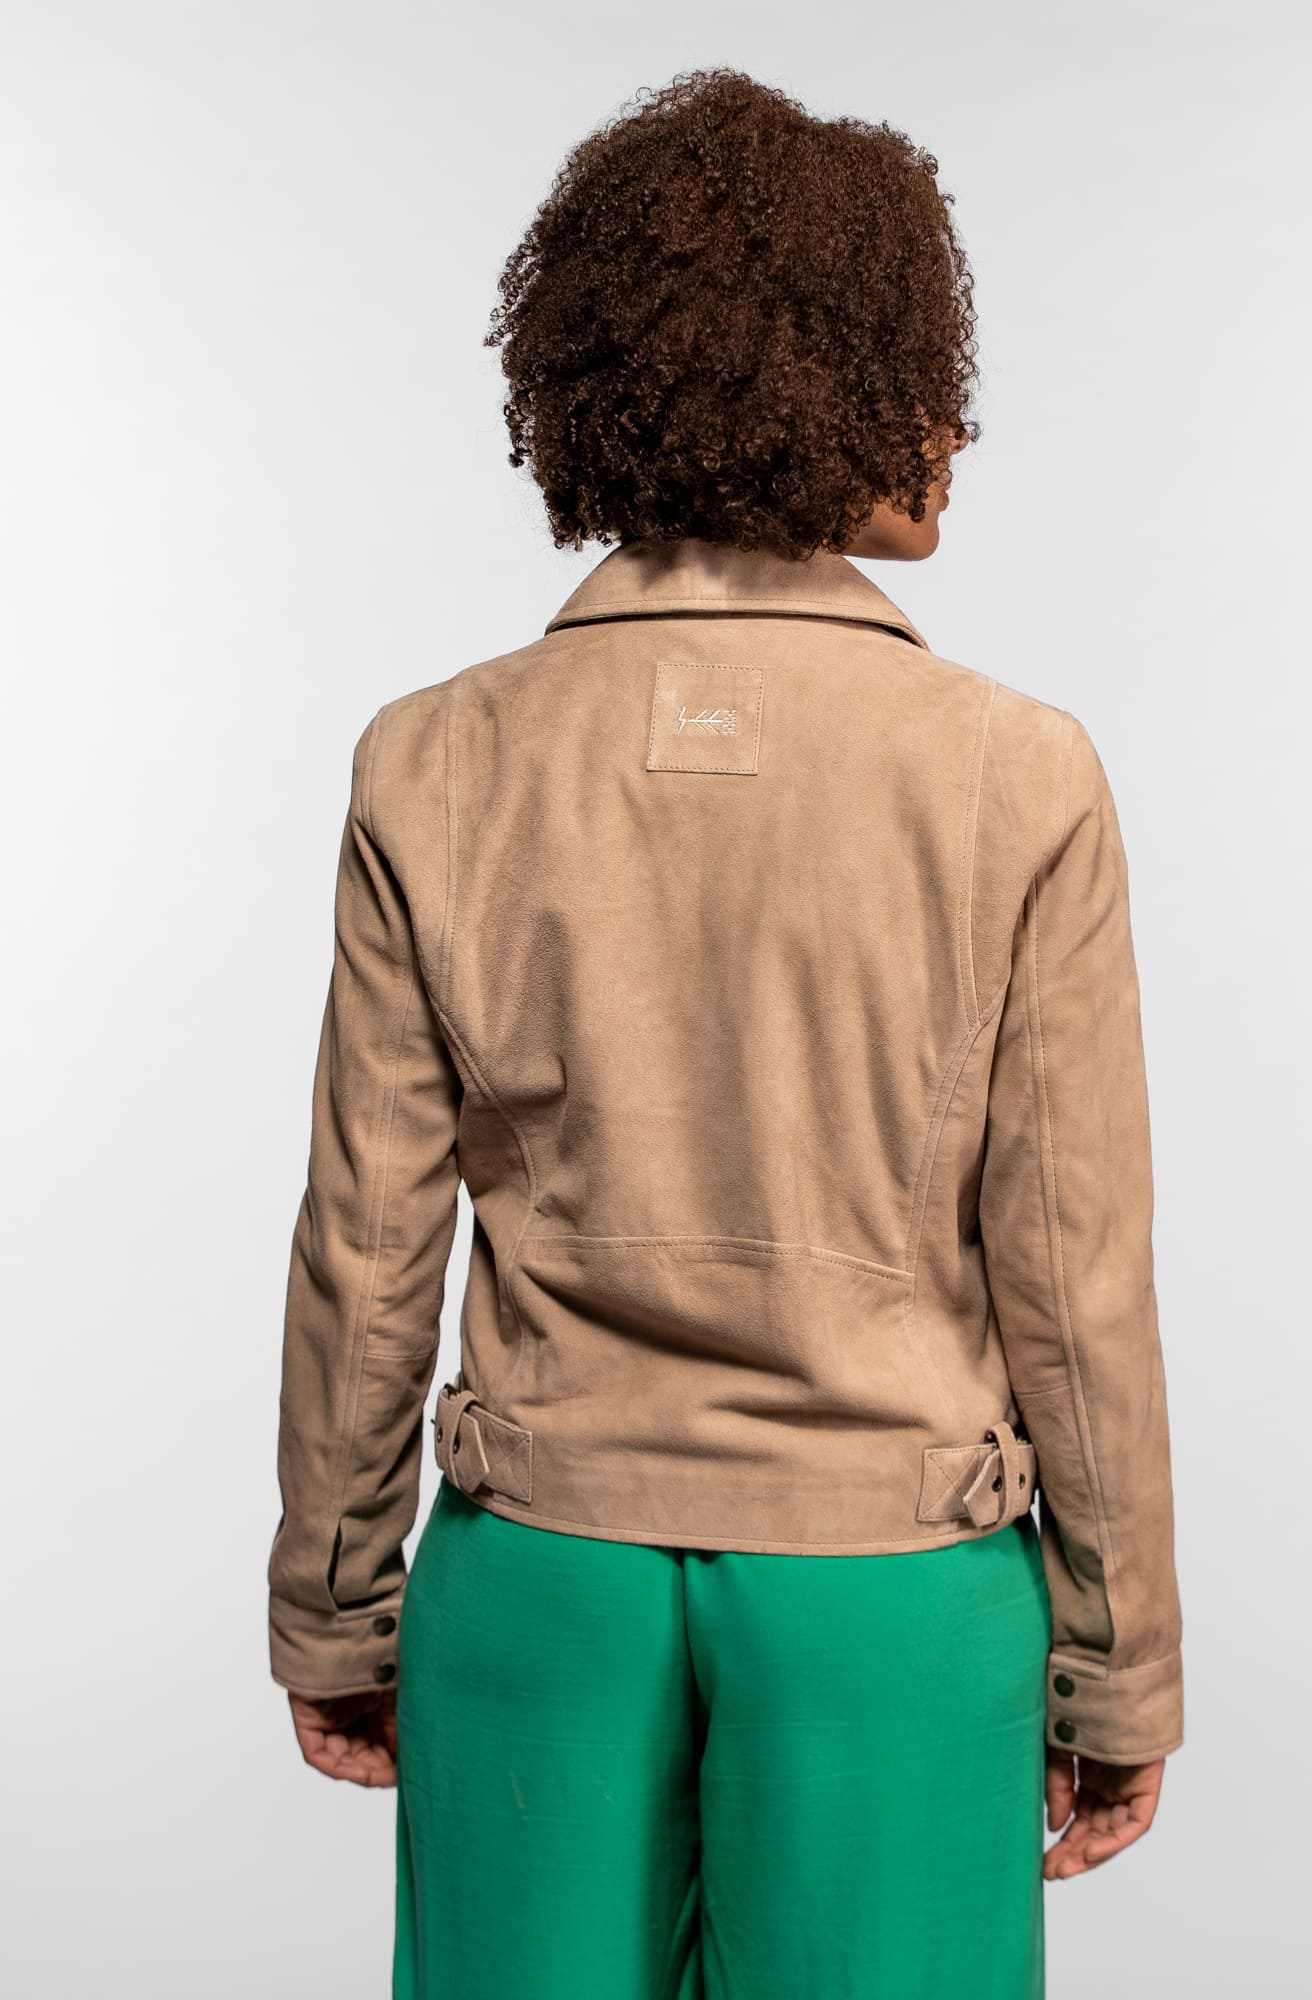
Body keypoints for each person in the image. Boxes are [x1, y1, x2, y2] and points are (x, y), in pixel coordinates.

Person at [266, 66, 1184, 1999]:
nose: (956, 428)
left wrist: (336, 1607)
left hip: (539, 1585)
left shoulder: (434, 763)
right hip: (896, 1602)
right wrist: (1121, 1659)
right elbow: (1074, 1272)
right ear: (833, 380)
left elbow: (367, 1246)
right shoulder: (1019, 777)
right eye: (925, 370)